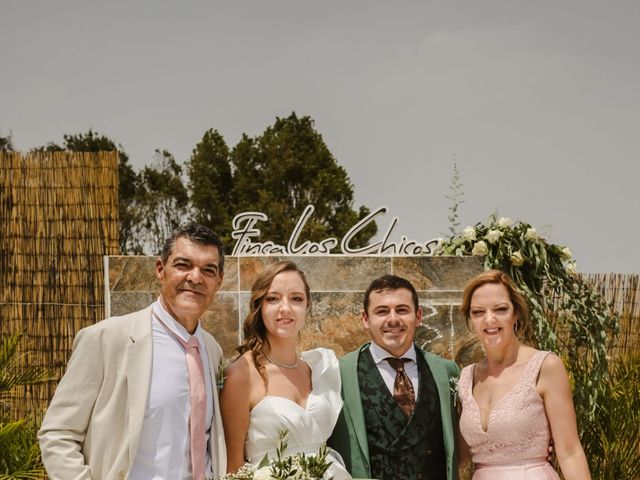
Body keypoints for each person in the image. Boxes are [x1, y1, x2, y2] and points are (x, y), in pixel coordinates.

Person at [38, 223, 227, 480]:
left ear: (219, 281)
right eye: (183, 265)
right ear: (161, 270)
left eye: (208, 270)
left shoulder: (212, 351)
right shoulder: (106, 339)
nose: (195, 277)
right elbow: (58, 434)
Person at [220, 260, 351, 479]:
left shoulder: (319, 368)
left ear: (307, 306)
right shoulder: (242, 373)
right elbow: (233, 466)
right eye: (273, 298)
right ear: (259, 306)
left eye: (296, 299)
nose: (286, 308)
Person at [457, 269, 591, 479]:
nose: (489, 319)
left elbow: (570, 452)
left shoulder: (545, 367)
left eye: (500, 309)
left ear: (516, 314)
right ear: (470, 320)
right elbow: (459, 457)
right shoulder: (466, 377)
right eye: (478, 312)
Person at [329, 274, 460, 480]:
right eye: (382, 311)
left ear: (418, 316)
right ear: (365, 319)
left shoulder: (447, 371)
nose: (393, 319)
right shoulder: (339, 373)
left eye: (402, 310)